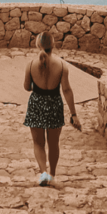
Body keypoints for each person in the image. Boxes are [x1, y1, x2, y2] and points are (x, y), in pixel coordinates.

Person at [22, 31, 80, 186]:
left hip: (36, 105)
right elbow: (66, 90)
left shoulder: (31, 64)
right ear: (53, 45)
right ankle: (52, 176)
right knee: (53, 143)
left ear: (38, 45)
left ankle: (43, 173)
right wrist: (74, 114)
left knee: (38, 143)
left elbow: (27, 87)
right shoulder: (61, 65)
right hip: (55, 104)